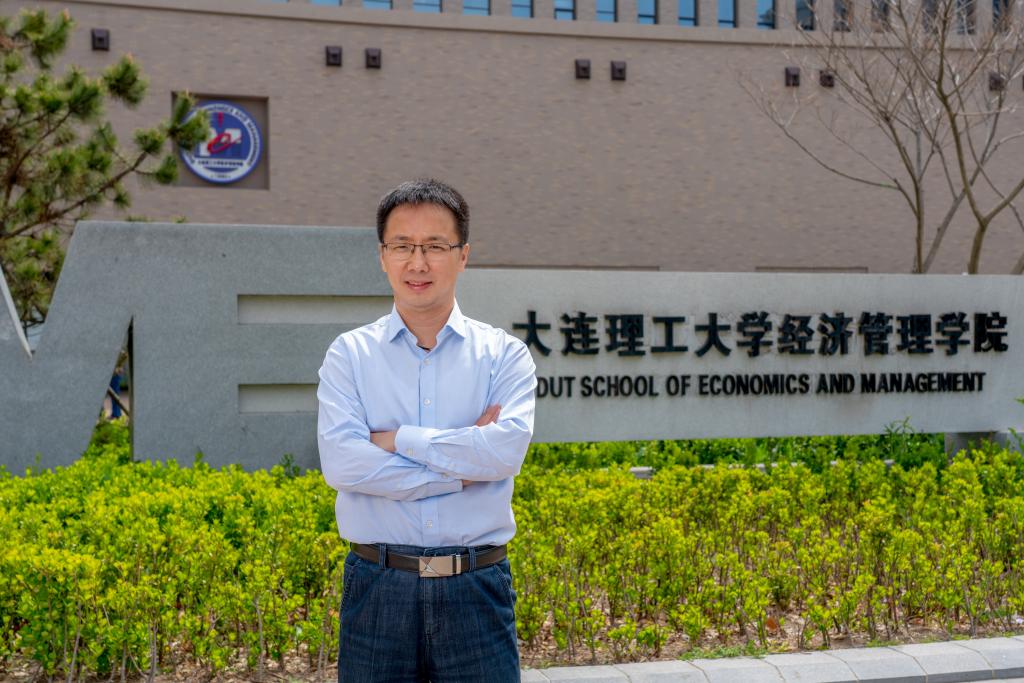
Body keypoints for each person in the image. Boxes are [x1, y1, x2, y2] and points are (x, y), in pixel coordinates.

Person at [316, 178, 537, 682]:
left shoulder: (504, 355)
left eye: (435, 246)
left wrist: (398, 440)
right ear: (382, 256)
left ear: (463, 256)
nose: (418, 263)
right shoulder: (349, 355)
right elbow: (344, 464)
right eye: (403, 246)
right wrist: (460, 470)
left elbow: (503, 453)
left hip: (476, 587)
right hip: (378, 587)